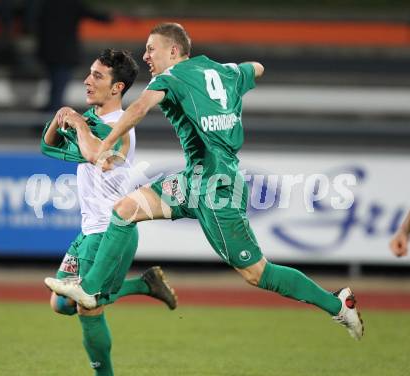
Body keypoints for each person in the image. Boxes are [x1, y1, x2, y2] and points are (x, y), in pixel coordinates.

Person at [45, 23, 364, 341]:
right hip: (193, 180)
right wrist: (232, 75)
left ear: (173, 51)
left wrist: (105, 144)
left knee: (257, 273)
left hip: (217, 191)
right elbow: (258, 67)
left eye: (151, 49)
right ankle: (89, 289)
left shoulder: (169, 77)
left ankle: (335, 303)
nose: (145, 56)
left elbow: (139, 107)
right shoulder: (223, 73)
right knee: (126, 208)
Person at [41, 48, 177, 376]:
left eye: (97, 76)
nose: (88, 81)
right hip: (88, 231)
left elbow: (97, 157)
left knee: (89, 308)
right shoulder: (90, 121)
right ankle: (144, 285)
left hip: (110, 232)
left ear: (117, 88)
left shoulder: (122, 127)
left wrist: (75, 122)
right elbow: (48, 145)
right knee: (61, 304)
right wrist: (61, 116)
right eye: (89, 73)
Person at [35, 0, 111, 112]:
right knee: (59, 87)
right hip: (65, 53)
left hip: (49, 51)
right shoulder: (72, 4)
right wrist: (110, 17)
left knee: (55, 86)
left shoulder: (47, 4)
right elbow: (96, 16)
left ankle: (49, 114)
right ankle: (51, 118)